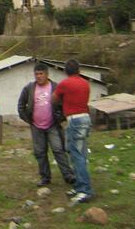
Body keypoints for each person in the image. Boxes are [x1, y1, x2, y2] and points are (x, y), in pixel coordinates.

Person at [18, 64, 75, 187]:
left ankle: (68, 175)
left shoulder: (55, 87)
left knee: (58, 150)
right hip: (36, 126)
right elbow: (21, 105)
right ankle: (45, 177)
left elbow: (65, 103)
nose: (39, 76)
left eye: (41, 74)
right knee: (40, 152)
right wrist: (28, 120)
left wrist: (61, 118)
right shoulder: (29, 88)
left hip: (53, 125)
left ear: (47, 74)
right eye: (36, 74)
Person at [53, 59, 93, 204]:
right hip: (85, 118)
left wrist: (61, 103)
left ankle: (85, 190)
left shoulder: (65, 83)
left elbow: (54, 99)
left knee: (76, 155)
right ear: (79, 70)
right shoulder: (85, 83)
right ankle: (78, 186)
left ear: (66, 71)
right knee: (80, 153)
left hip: (74, 120)